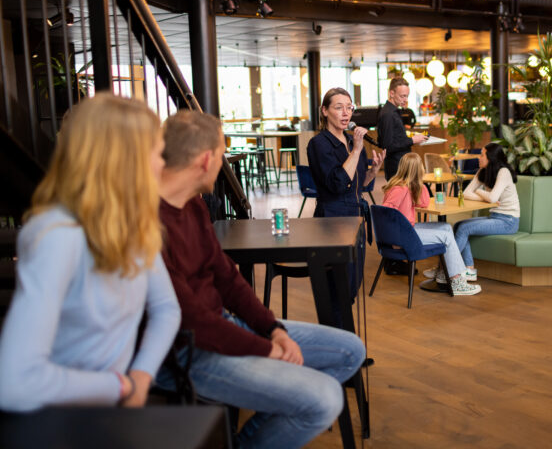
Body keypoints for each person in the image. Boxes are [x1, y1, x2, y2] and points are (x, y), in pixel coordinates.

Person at [156, 109, 366, 449]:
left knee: (350, 350)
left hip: (222, 326)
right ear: (207, 159)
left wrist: (272, 329)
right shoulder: (149, 221)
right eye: (223, 155)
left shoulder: (193, 206)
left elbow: (226, 276)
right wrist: (267, 348)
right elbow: (190, 319)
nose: (224, 163)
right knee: (324, 399)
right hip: (186, 351)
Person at [0, 94, 180, 412]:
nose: (162, 163)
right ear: (126, 159)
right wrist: (118, 385)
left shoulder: (133, 224)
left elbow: (166, 308)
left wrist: (140, 376)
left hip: (105, 413)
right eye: (156, 152)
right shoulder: (58, 235)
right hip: (50, 421)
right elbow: (15, 384)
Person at [306, 88, 385, 302]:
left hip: (356, 217)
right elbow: (338, 184)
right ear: (324, 111)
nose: (345, 113)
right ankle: (336, 332)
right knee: (337, 287)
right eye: (338, 107)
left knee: (352, 286)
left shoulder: (352, 142)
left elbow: (359, 185)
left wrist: (373, 172)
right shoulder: (319, 144)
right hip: (332, 219)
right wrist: (357, 151)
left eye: (349, 108)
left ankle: (345, 332)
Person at [382, 153, 481, 295]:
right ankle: (456, 280)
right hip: (401, 236)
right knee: (446, 237)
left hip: (405, 231)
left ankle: (444, 273)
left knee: (446, 228)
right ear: (419, 169)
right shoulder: (400, 189)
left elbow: (423, 202)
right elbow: (386, 213)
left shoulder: (405, 186)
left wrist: (419, 182)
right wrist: (395, 237)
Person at [425, 142, 520, 281]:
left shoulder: (503, 172)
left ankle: (445, 269)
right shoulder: (483, 171)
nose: (478, 157)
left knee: (464, 228)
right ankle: (468, 269)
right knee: (458, 225)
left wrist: (481, 192)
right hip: (495, 216)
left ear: (491, 158)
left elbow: (493, 197)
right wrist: (485, 196)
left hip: (508, 221)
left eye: (482, 155)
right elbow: (467, 192)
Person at [377, 77, 428, 180]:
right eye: (402, 96)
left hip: (401, 165)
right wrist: (412, 140)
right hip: (397, 168)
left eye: (407, 96)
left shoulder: (392, 112)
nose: (406, 100)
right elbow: (388, 146)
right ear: (392, 93)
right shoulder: (389, 114)